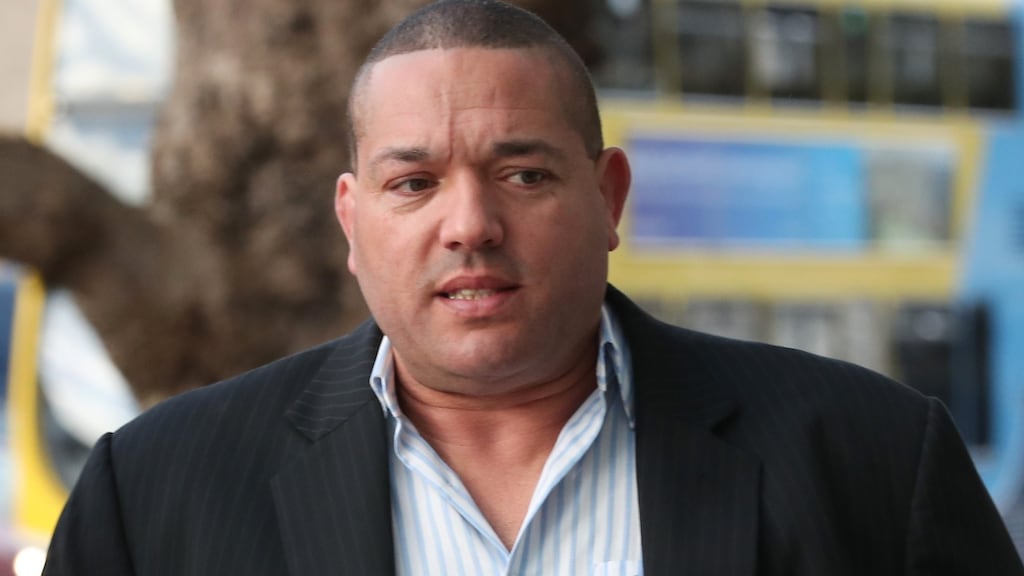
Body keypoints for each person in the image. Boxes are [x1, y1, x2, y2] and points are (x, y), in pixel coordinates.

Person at [43, 0, 1023, 574]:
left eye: (522, 174)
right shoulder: (155, 499)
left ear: (608, 201)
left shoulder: (870, 463)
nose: (467, 223)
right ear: (353, 221)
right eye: (413, 183)